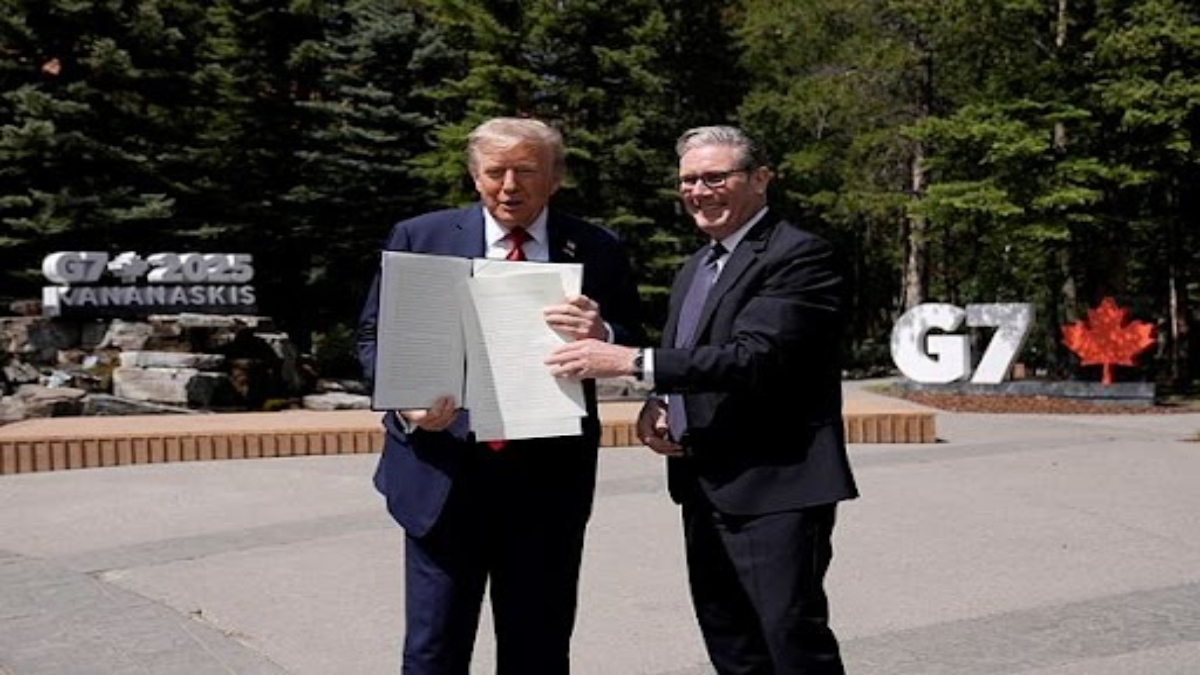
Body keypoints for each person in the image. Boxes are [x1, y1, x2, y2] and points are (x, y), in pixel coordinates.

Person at [546, 125, 859, 674]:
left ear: (760, 179)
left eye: (715, 177)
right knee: (732, 643)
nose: (698, 191)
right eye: (688, 180)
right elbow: (693, 354)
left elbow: (756, 357)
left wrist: (631, 362)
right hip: (704, 484)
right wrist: (662, 399)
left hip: (776, 486)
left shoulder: (799, 255)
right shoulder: (698, 266)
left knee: (790, 643)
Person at [356, 116, 644, 674]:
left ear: (555, 177)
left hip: (547, 481)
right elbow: (374, 335)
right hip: (443, 472)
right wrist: (406, 400)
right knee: (434, 650)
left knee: (538, 650)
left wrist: (601, 333)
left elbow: (629, 335)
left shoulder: (596, 246)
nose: (509, 186)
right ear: (475, 175)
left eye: (526, 171)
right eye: (495, 172)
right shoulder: (422, 237)